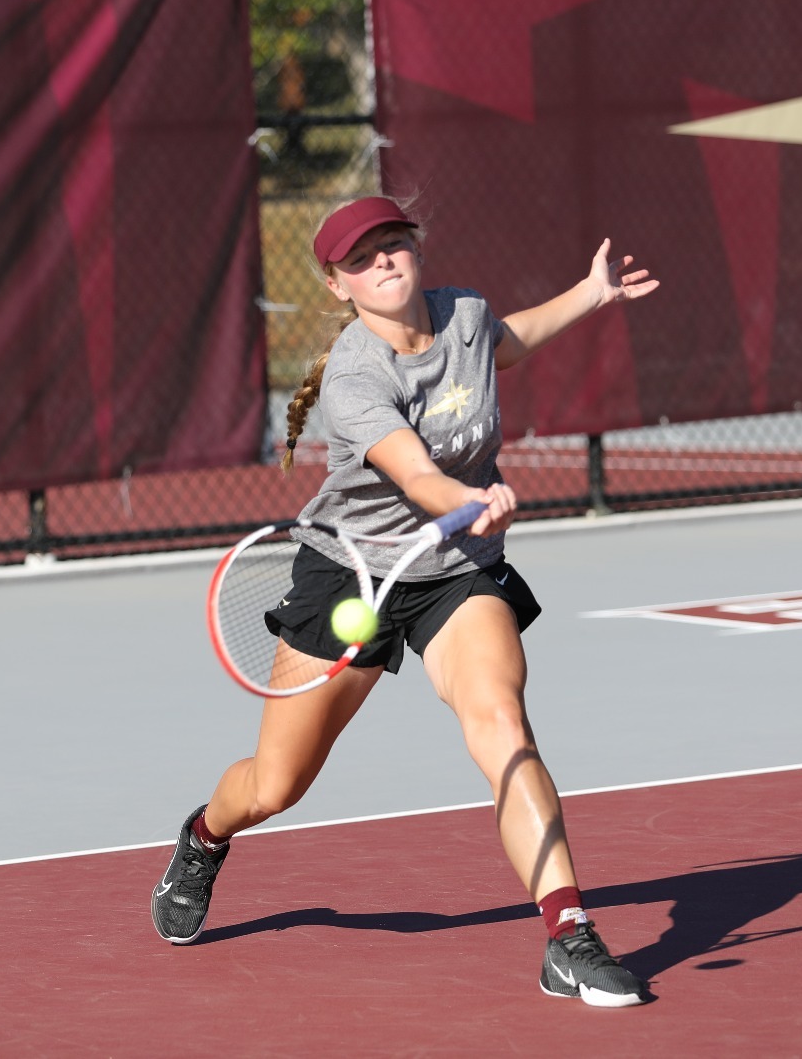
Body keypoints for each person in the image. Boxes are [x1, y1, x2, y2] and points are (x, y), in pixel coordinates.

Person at [149, 195, 661, 1005]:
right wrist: (465, 496)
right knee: (276, 784)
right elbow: (417, 474)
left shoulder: (465, 317)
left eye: (392, 243)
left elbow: (508, 340)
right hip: (351, 573)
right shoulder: (356, 375)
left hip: (455, 570)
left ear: (416, 249)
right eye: (360, 258)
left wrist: (590, 293)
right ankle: (205, 835)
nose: (382, 261)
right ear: (337, 285)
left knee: (503, 723)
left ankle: (569, 936)